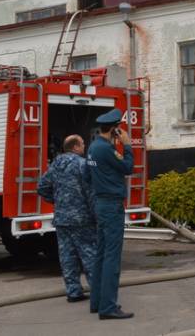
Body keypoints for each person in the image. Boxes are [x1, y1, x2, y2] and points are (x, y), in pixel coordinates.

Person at [85, 109, 134, 320]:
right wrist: (128, 145)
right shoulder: (106, 149)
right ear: (114, 129)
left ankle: (96, 302)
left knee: (101, 255)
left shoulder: (93, 147)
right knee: (112, 258)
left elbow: (87, 177)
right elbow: (128, 167)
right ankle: (108, 308)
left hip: (100, 203)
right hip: (112, 205)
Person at [37, 135, 97, 303]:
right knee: (90, 255)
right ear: (76, 147)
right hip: (82, 219)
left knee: (67, 256)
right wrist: (96, 215)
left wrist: (57, 200)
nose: (85, 146)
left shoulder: (55, 165)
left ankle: (73, 292)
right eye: (83, 143)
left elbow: (41, 187)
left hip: (62, 219)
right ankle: (98, 292)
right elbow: (90, 193)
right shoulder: (82, 164)